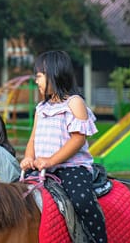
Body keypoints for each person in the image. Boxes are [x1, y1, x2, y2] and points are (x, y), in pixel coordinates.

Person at [19, 50, 107, 243]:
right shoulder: (41, 108)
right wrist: (28, 157)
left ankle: (98, 239)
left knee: (82, 201)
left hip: (71, 168)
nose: (36, 81)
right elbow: (33, 139)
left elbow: (77, 140)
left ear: (54, 73)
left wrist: (51, 160)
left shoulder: (74, 103)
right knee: (16, 195)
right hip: (42, 168)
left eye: (39, 76)